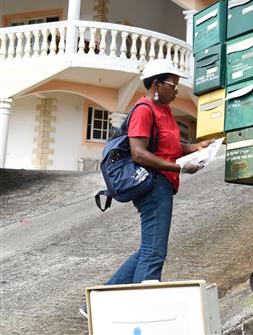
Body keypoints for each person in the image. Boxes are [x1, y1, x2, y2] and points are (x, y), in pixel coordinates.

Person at [80, 59, 212, 318]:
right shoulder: (144, 109)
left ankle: (96, 303)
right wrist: (180, 169)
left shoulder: (164, 110)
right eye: (172, 85)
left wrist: (195, 148)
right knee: (154, 252)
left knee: (148, 248)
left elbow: (170, 147)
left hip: (162, 184)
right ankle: (145, 314)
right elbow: (139, 154)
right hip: (153, 186)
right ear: (155, 85)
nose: (176, 90)